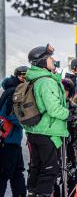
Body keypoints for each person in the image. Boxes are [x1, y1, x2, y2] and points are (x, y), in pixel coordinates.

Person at [24, 44, 77, 197]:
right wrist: (70, 114)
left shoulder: (33, 78)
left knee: (37, 166)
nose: (53, 60)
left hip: (35, 130)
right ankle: (41, 194)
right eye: (50, 58)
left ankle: (32, 192)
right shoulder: (46, 81)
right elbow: (53, 109)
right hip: (47, 131)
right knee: (50, 169)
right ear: (43, 61)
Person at [0, 66, 28, 197]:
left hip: (12, 139)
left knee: (17, 172)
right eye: (22, 76)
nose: (25, 79)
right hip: (8, 139)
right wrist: (26, 123)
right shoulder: (13, 92)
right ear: (17, 76)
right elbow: (8, 114)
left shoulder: (15, 90)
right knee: (4, 173)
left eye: (27, 76)